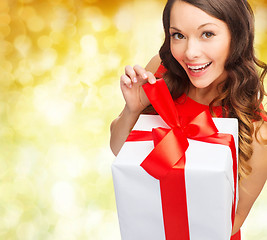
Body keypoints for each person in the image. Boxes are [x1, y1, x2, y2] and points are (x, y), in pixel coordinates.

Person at [110, 0, 267, 239]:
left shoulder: (258, 133)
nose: (190, 53)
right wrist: (133, 109)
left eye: (207, 34)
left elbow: (231, 222)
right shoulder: (160, 73)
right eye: (178, 35)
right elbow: (119, 149)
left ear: (237, 36)